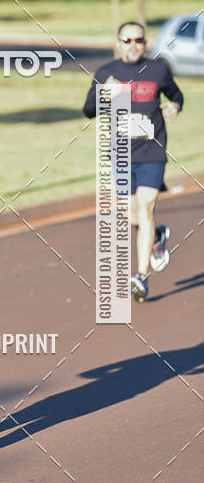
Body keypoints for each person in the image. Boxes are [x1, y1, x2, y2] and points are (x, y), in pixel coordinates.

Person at [83, 22, 183, 303]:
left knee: (147, 207)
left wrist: (175, 106)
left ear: (145, 43)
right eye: (127, 40)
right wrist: (105, 96)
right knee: (132, 214)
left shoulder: (158, 70)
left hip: (152, 152)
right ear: (118, 43)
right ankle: (157, 237)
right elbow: (88, 110)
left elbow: (176, 94)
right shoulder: (106, 73)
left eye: (138, 40)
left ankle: (140, 276)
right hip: (121, 155)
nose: (133, 45)